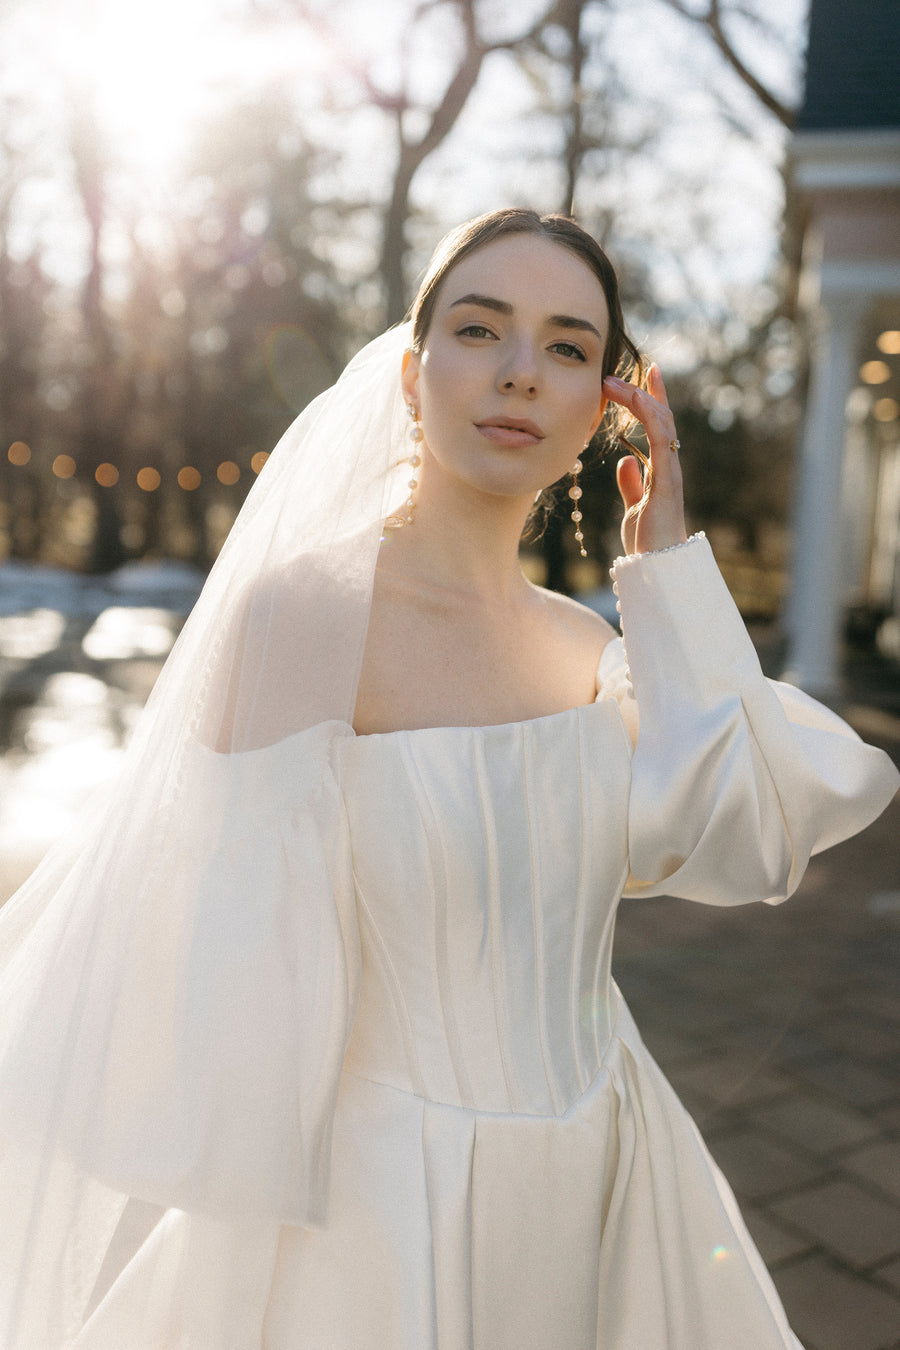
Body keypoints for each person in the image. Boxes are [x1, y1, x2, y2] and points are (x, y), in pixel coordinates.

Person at [0, 208, 896, 1349]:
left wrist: (668, 568)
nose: (522, 373)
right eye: (482, 331)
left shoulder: (591, 651)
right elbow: (222, 975)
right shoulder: (304, 618)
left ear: (607, 411)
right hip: (376, 1211)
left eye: (569, 347)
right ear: (414, 376)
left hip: (611, 1169)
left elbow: (749, 837)